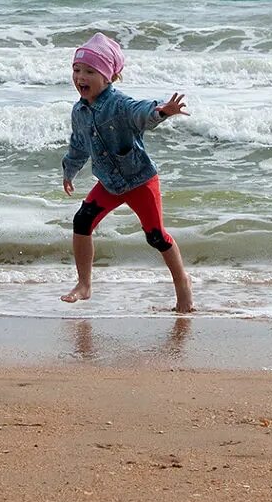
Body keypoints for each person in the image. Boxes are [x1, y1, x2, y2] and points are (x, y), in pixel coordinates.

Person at [60, 33, 194, 311]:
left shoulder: (119, 105)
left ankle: (183, 284)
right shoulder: (79, 112)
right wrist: (69, 171)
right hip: (109, 182)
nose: (80, 77)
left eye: (89, 71)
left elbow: (141, 111)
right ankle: (84, 284)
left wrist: (162, 111)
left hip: (140, 180)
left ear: (108, 77)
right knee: (82, 221)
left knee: (156, 236)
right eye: (76, 70)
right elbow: (78, 145)